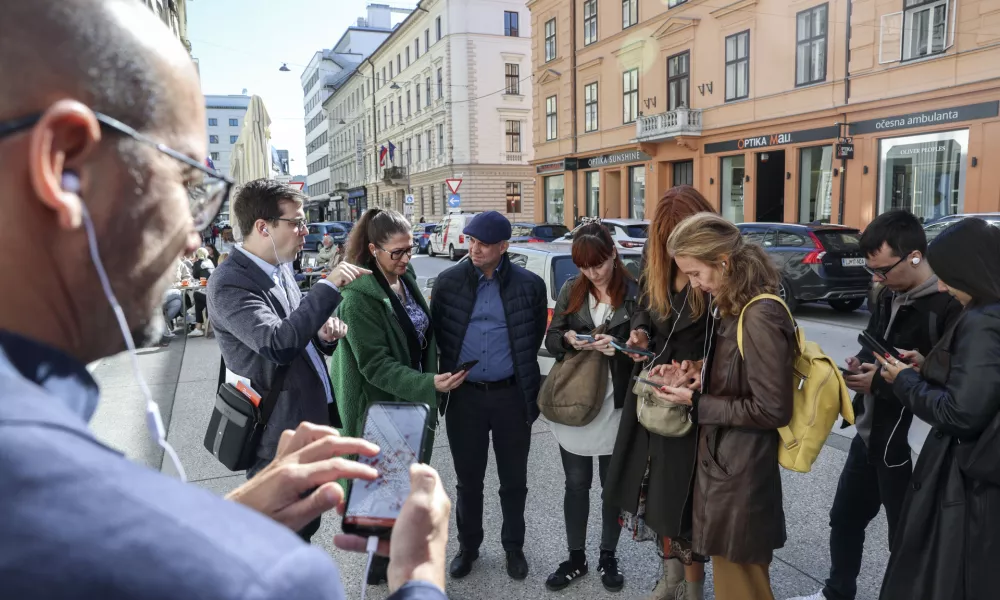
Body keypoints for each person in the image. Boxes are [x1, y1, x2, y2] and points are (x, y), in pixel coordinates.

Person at [0, 1, 450, 599]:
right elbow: (276, 341)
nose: (192, 235)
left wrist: (232, 518)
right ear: (64, 167)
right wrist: (419, 574)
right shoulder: (263, 579)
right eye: (186, 183)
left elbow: (297, 334)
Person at [788, 211, 962, 600]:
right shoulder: (885, 294)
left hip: (909, 445)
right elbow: (873, 344)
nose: (877, 279)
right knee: (845, 519)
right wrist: (860, 365)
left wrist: (882, 385)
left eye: (882, 270)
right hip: (869, 433)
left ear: (914, 256)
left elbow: (952, 384)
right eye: (873, 272)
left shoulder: (948, 306)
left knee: (906, 536)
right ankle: (837, 592)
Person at [208, 179, 366, 541]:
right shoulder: (229, 282)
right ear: (263, 227)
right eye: (295, 222)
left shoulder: (279, 268)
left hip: (303, 419)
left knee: (305, 525)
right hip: (275, 433)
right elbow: (277, 343)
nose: (305, 230)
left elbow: (296, 332)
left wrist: (322, 334)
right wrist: (328, 286)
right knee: (282, 537)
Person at [659, 213, 797, 600]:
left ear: (723, 261)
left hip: (741, 475)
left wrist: (699, 401)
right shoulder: (737, 304)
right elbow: (744, 370)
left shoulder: (759, 313)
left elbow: (772, 409)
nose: (695, 284)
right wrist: (700, 372)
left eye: (696, 273)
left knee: (743, 588)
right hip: (728, 467)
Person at [331, 207, 467, 585]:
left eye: (411, 249)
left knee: (400, 489)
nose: (407, 258)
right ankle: (382, 571)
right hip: (378, 409)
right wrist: (429, 384)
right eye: (398, 252)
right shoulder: (358, 298)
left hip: (406, 403)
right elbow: (374, 366)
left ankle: (395, 562)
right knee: (380, 496)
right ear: (373, 249)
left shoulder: (400, 279)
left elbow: (420, 333)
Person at [876, 217, 1000, 600]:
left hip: (970, 480)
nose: (942, 285)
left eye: (948, 276)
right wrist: (929, 365)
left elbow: (960, 413)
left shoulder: (983, 320)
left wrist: (904, 381)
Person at [603, 186, 717, 600]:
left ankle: (693, 588)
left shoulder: (717, 270)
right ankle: (670, 580)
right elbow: (643, 309)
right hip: (654, 395)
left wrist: (701, 368)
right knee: (652, 496)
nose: (672, 252)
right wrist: (641, 331)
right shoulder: (656, 263)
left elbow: (735, 344)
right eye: (666, 241)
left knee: (685, 504)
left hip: (691, 402)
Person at [430, 210, 548, 581]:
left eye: (483, 243)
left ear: (503, 247)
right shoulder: (448, 283)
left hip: (511, 397)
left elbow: (532, 338)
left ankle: (514, 547)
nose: (475, 249)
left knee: (514, 481)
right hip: (465, 398)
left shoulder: (529, 285)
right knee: (469, 480)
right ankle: (468, 547)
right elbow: (435, 338)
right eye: (471, 241)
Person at [542, 221, 635, 593]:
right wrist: (567, 338)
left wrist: (621, 348)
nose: (592, 273)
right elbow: (551, 338)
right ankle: (575, 556)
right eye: (584, 266)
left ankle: (608, 554)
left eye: (598, 264)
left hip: (616, 401)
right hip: (577, 401)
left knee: (612, 486)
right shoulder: (571, 289)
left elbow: (651, 345)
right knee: (576, 483)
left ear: (613, 254)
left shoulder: (634, 292)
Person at [187, 246, 214, 337]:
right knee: (198, 300)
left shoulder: (198, 263)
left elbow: (194, 276)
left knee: (196, 294)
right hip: (212, 292)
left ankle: (198, 327)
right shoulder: (210, 262)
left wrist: (194, 264)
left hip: (209, 293)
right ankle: (198, 327)